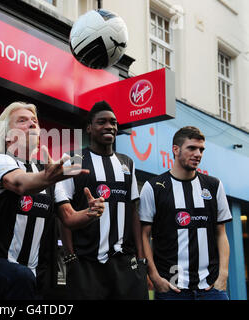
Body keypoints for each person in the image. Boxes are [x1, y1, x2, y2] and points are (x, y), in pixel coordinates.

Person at [0, 101, 105, 300]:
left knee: (64, 289)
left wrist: (91, 213)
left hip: (37, 274)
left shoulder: (44, 172)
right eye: (22, 121)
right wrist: (48, 177)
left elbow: (69, 218)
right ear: (7, 135)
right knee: (22, 277)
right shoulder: (1, 160)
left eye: (34, 121)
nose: (32, 124)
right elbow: (20, 183)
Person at [55, 101, 149, 300]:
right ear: (89, 128)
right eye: (102, 122)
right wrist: (70, 256)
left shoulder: (127, 162)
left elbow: (133, 211)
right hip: (86, 263)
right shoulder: (74, 159)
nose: (109, 126)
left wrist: (141, 259)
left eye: (113, 123)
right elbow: (63, 213)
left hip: (124, 263)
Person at [139, 126, 232, 300]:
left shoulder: (214, 186)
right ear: (175, 149)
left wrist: (223, 275)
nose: (198, 154)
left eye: (201, 149)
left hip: (211, 289)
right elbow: (144, 236)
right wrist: (155, 277)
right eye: (192, 148)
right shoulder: (153, 187)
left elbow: (221, 233)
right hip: (172, 290)